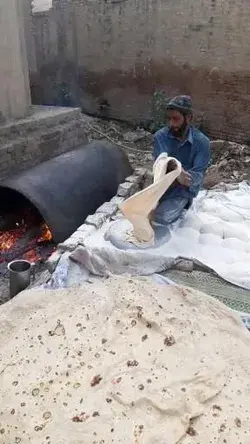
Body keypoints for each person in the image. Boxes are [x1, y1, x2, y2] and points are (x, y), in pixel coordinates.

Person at [152, 95, 210, 225]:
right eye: (169, 119)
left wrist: (185, 179)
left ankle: (184, 206)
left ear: (188, 118)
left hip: (183, 191)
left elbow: (198, 175)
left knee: (161, 218)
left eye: (176, 119)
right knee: (138, 210)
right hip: (161, 186)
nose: (171, 124)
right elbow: (159, 163)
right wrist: (177, 173)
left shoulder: (202, 142)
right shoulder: (160, 137)